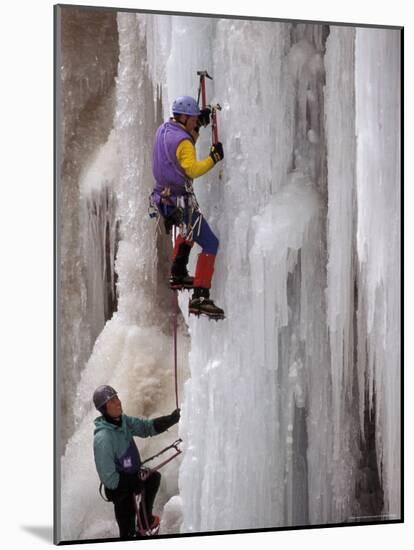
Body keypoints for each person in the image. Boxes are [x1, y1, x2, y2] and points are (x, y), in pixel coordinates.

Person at [151, 95, 225, 319]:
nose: (195, 122)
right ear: (183, 117)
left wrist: (198, 125)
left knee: (189, 230)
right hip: (180, 201)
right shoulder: (183, 142)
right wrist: (213, 158)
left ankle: (178, 272)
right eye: (192, 119)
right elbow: (191, 168)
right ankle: (201, 296)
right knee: (210, 243)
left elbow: (178, 149)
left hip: (164, 201)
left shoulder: (163, 131)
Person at [93, 385, 180, 539]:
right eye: (111, 401)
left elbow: (146, 427)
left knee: (153, 478)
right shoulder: (103, 438)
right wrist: (131, 482)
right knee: (127, 530)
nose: (118, 402)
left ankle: (144, 523)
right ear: (104, 409)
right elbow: (108, 479)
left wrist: (171, 419)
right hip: (120, 490)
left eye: (117, 398)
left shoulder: (123, 422)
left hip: (131, 476)